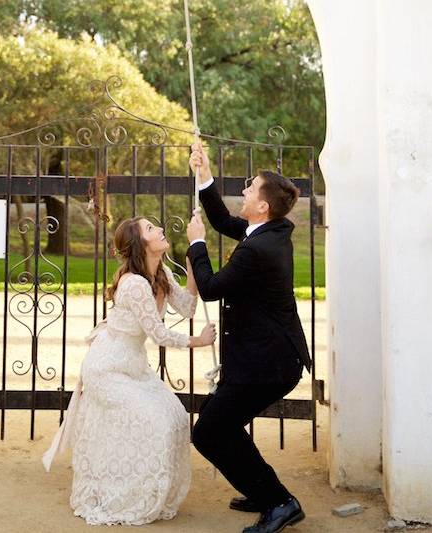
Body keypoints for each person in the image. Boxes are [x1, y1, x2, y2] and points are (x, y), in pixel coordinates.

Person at [43, 216, 217, 526]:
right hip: (108, 367)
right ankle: (124, 493)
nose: (160, 229)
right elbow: (159, 334)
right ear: (141, 245)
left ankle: (147, 490)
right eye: (151, 229)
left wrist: (194, 255)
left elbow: (188, 307)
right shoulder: (135, 283)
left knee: (174, 417)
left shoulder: (160, 271)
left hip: (133, 365)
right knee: (155, 422)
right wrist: (199, 342)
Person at [186, 142, 313, 533]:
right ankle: (264, 492)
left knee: (208, 432)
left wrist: (196, 243)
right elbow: (225, 221)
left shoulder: (259, 250)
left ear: (262, 205)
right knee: (221, 426)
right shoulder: (267, 230)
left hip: (267, 366)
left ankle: (279, 502)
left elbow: (208, 288)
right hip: (266, 361)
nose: (243, 190)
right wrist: (203, 173)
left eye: (249, 188)